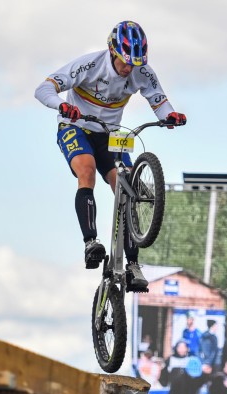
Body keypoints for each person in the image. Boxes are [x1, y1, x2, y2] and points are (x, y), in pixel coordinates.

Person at [35, 21, 185, 289]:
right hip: (76, 126)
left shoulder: (141, 71)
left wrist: (169, 116)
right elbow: (43, 89)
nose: (129, 68)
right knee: (87, 170)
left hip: (112, 134)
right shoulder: (89, 65)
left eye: (135, 64)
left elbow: (158, 99)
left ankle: (133, 264)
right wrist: (63, 105)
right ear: (112, 52)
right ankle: (91, 242)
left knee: (125, 186)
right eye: (125, 62)